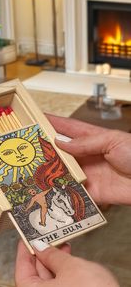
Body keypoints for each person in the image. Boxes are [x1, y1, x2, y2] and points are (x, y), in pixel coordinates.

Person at [15, 115, 131, 287]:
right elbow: (33, 203)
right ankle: (42, 220)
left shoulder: (49, 192)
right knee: (45, 213)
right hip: (46, 208)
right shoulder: (39, 196)